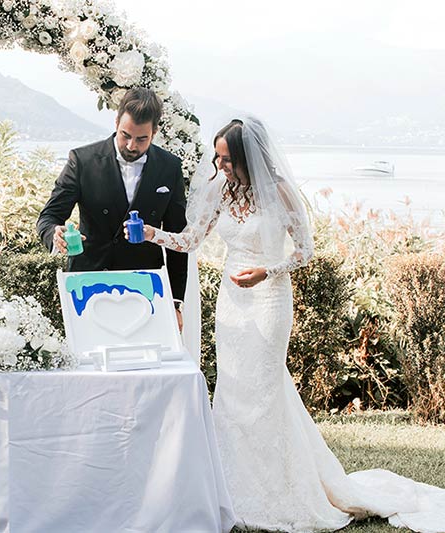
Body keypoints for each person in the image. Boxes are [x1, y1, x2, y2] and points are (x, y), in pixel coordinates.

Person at [127, 117, 445, 532]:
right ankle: (235, 491)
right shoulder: (221, 192)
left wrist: (267, 271)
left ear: (247, 158)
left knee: (263, 390)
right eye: (217, 157)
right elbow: (190, 240)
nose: (220, 166)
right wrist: (153, 233)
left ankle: (283, 491)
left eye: (227, 159)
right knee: (233, 391)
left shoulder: (278, 191)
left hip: (269, 297)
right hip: (231, 301)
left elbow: (305, 251)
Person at [36, 87, 188, 325]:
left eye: (141, 139)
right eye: (125, 135)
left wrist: (176, 301)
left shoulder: (170, 167)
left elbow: (176, 237)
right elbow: (49, 216)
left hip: (145, 286)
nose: (131, 146)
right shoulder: (82, 160)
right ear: (116, 121)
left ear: (155, 132)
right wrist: (54, 234)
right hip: (88, 283)